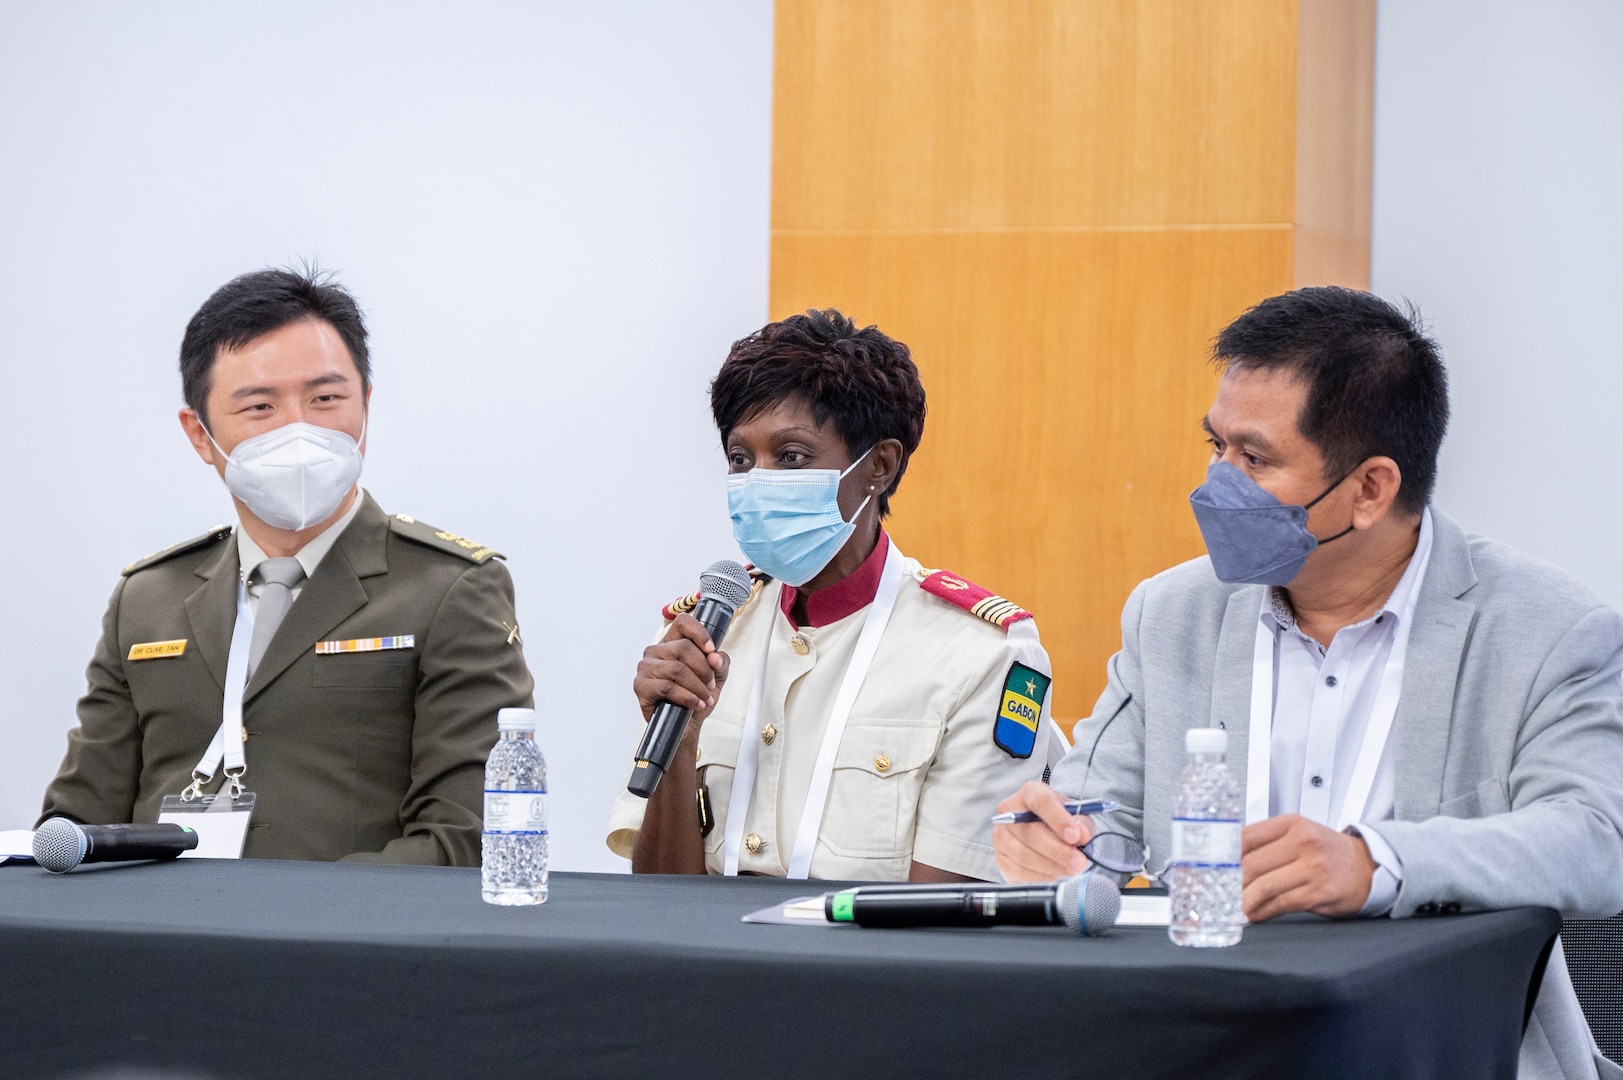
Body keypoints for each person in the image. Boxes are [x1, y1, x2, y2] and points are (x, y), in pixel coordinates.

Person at [994, 287, 1623, 1080]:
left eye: (1253, 459)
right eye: (1214, 446)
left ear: (1368, 490)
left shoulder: (1545, 628)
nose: (1213, 485)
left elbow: (1596, 843)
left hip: (1446, 1051)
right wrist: (1052, 835)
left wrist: (1375, 862)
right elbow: (1100, 813)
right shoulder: (1172, 612)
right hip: (1198, 1042)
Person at [39, 266, 535, 865]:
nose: (300, 428)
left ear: (366, 406)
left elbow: (463, 837)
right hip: (160, 945)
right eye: (260, 407)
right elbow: (74, 825)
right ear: (200, 434)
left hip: (342, 950)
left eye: (326, 399)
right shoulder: (146, 599)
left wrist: (284, 922)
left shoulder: (449, 588)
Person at [606, 310, 1064, 882]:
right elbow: (659, 908)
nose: (757, 480)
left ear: (879, 465)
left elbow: (940, 928)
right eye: (740, 458)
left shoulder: (981, 655)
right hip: (707, 968)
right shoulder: (701, 636)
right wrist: (679, 745)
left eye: (792, 456)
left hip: (865, 969)